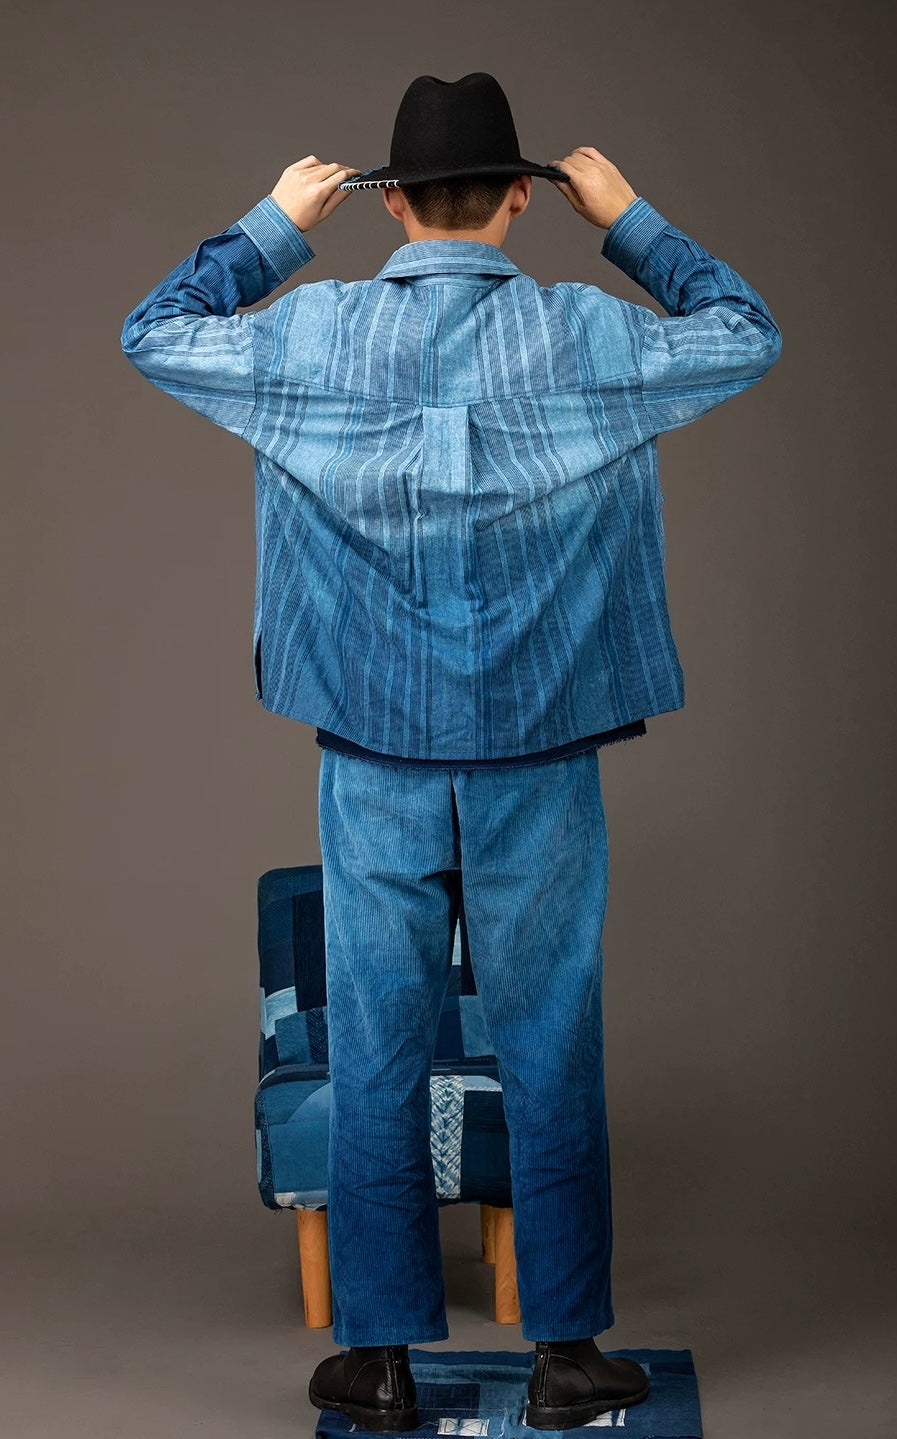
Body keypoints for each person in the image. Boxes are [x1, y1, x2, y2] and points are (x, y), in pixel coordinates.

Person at [121, 71, 781, 1432]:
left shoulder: (312, 332)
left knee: (380, 1044)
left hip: (372, 749)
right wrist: (634, 219)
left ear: (393, 203)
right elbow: (745, 331)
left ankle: (375, 1362)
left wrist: (270, 230)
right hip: (542, 747)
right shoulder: (585, 333)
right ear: (524, 197)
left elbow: (155, 331)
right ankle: (565, 1356)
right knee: (550, 1040)